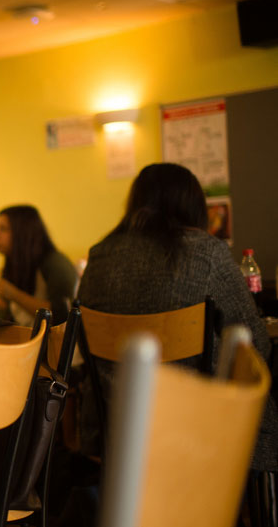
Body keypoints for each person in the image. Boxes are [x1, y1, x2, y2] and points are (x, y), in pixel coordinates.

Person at [77, 162, 276, 470]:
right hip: (201, 427)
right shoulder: (208, 253)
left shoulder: (99, 256)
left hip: (117, 432)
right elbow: (256, 345)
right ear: (192, 205)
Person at [0, 205, 78, 326]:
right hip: (24, 339)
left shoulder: (55, 263)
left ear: (22, 232)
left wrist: (13, 294)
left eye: (3, 229)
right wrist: (1, 308)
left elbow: (62, 316)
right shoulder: (15, 261)